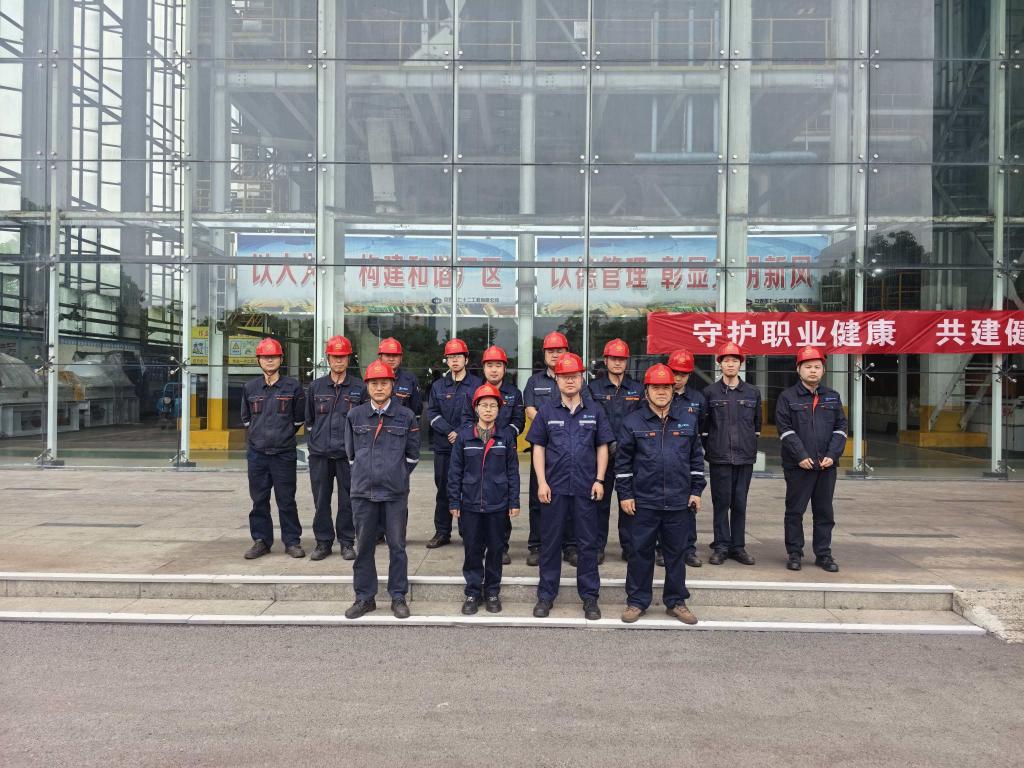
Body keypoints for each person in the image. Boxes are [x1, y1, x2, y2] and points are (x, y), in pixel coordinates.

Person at [526, 353, 614, 621]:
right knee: (551, 543)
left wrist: (599, 479)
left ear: (581, 378)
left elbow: (602, 446)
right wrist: (541, 482)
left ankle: (590, 597)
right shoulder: (546, 412)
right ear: (557, 380)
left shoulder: (595, 411)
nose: (570, 381)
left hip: (586, 488)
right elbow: (538, 448)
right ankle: (546, 595)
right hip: (554, 488)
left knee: (587, 544)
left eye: (574, 376)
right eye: (564, 377)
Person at [616, 363, 705, 625]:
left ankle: (676, 601)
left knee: (676, 554)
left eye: (666, 387)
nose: (662, 392)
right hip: (644, 501)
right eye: (656, 387)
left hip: (679, 501)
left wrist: (696, 491)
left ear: (673, 390)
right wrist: (625, 494)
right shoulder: (633, 422)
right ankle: (636, 601)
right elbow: (623, 463)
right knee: (640, 552)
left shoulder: (687, 420)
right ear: (646, 391)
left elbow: (696, 459)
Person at [344, 360, 421, 619]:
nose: (379, 388)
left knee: (397, 546)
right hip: (363, 492)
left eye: (384, 383)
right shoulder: (355, 416)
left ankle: (398, 596)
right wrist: (366, 474)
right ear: (367, 386)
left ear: (392, 385)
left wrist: (395, 474)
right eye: (374, 383)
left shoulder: (406, 416)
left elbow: (413, 456)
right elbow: (351, 455)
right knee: (364, 546)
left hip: (394, 493)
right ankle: (364, 597)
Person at [448, 383, 521, 615]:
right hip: (470, 504)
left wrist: (514, 501)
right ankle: (472, 592)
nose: (488, 409)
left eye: (493, 405)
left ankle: (492, 592)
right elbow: (455, 472)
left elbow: (513, 472)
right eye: (484, 405)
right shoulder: (464, 437)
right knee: (472, 549)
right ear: (476, 408)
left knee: (496, 549)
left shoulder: (506, 437)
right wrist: (454, 501)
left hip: (497, 504)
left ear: (499, 410)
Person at [776, 346, 847, 573]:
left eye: (817, 367)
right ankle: (794, 553)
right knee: (795, 511)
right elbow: (785, 430)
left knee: (824, 512)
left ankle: (823, 554)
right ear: (799, 370)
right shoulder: (787, 397)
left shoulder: (833, 397)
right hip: (799, 466)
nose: (813, 371)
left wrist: (832, 455)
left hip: (826, 466)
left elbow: (841, 429)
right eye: (808, 367)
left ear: (823, 370)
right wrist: (801, 455)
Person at [241, 337, 307, 560]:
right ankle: (261, 541)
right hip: (257, 454)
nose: (269, 361)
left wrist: (282, 435)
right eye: (265, 357)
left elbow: (298, 420)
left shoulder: (293, 387)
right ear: (258, 360)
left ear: (281, 359)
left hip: (283, 454)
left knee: (286, 500)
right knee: (259, 500)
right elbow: (246, 419)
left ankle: (292, 541)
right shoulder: (250, 388)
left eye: (274, 357)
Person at [461, 345, 525, 564]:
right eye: (490, 365)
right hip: (475, 449)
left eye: (498, 365)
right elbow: (466, 419)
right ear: (484, 368)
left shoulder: (514, 393)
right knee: (476, 495)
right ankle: (476, 546)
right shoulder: (473, 391)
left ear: (505, 368)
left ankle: (501, 546)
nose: (494, 369)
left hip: (502, 450)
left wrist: (503, 437)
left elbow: (518, 421)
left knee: (500, 496)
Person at [305, 335, 365, 561]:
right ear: (328, 359)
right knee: (321, 501)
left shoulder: (360, 387)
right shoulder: (316, 386)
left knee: (348, 501)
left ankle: (347, 542)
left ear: (349, 358)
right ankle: (323, 542)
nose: (338, 361)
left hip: (347, 456)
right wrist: (317, 442)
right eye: (334, 357)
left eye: (342, 357)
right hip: (320, 455)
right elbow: (309, 421)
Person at [702, 341, 761, 566]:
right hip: (720, 458)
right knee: (721, 503)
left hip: (744, 457)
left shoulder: (753, 392)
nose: (730, 364)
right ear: (720, 364)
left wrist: (747, 447)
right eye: (726, 360)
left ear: (740, 364)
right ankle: (721, 546)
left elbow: (756, 427)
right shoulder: (710, 392)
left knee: (739, 503)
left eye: (734, 360)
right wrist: (713, 447)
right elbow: (704, 428)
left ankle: (738, 547)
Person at [587, 338, 642, 565]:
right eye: (613, 358)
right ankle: (597, 547)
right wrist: (608, 443)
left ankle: (629, 547)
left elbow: (641, 420)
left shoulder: (638, 389)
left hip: (630, 457)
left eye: (621, 359)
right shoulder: (593, 388)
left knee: (629, 504)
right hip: (602, 456)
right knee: (599, 504)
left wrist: (626, 445)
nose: (617, 363)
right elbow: (592, 419)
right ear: (606, 360)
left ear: (626, 361)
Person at [425, 338, 481, 549]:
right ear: (446, 361)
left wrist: (461, 433)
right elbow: (432, 412)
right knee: (444, 489)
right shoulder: (438, 386)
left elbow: (481, 412)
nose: (454, 360)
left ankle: (468, 531)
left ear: (466, 359)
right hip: (444, 447)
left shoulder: (477, 385)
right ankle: (442, 532)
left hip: (469, 447)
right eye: (450, 357)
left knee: (468, 488)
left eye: (458, 356)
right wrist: (449, 431)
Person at [522, 331, 570, 567]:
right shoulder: (534, 381)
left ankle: (570, 546)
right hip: (542, 446)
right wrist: (552, 423)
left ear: (566, 352)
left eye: (559, 350)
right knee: (538, 497)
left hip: (569, 448)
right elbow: (529, 409)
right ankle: (537, 545)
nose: (555, 354)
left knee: (570, 496)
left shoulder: (575, 379)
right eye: (551, 351)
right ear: (544, 354)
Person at [665, 348, 708, 568]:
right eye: (674, 372)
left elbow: (703, 429)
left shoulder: (698, 399)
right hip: (662, 458)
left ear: (689, 375)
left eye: (682, 374)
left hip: (686, 459)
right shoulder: (659, 394)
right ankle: (662, 549)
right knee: (662, 508)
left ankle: (688, 550)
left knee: (688, 506)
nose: (678, 378)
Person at [377, 337, 422, 416]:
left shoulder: (410, 379)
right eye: (387, 355)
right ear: (380, 357)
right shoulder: (372, 379)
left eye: (395, 355)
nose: (391, 359)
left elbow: (417, 410)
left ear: (401, 358)